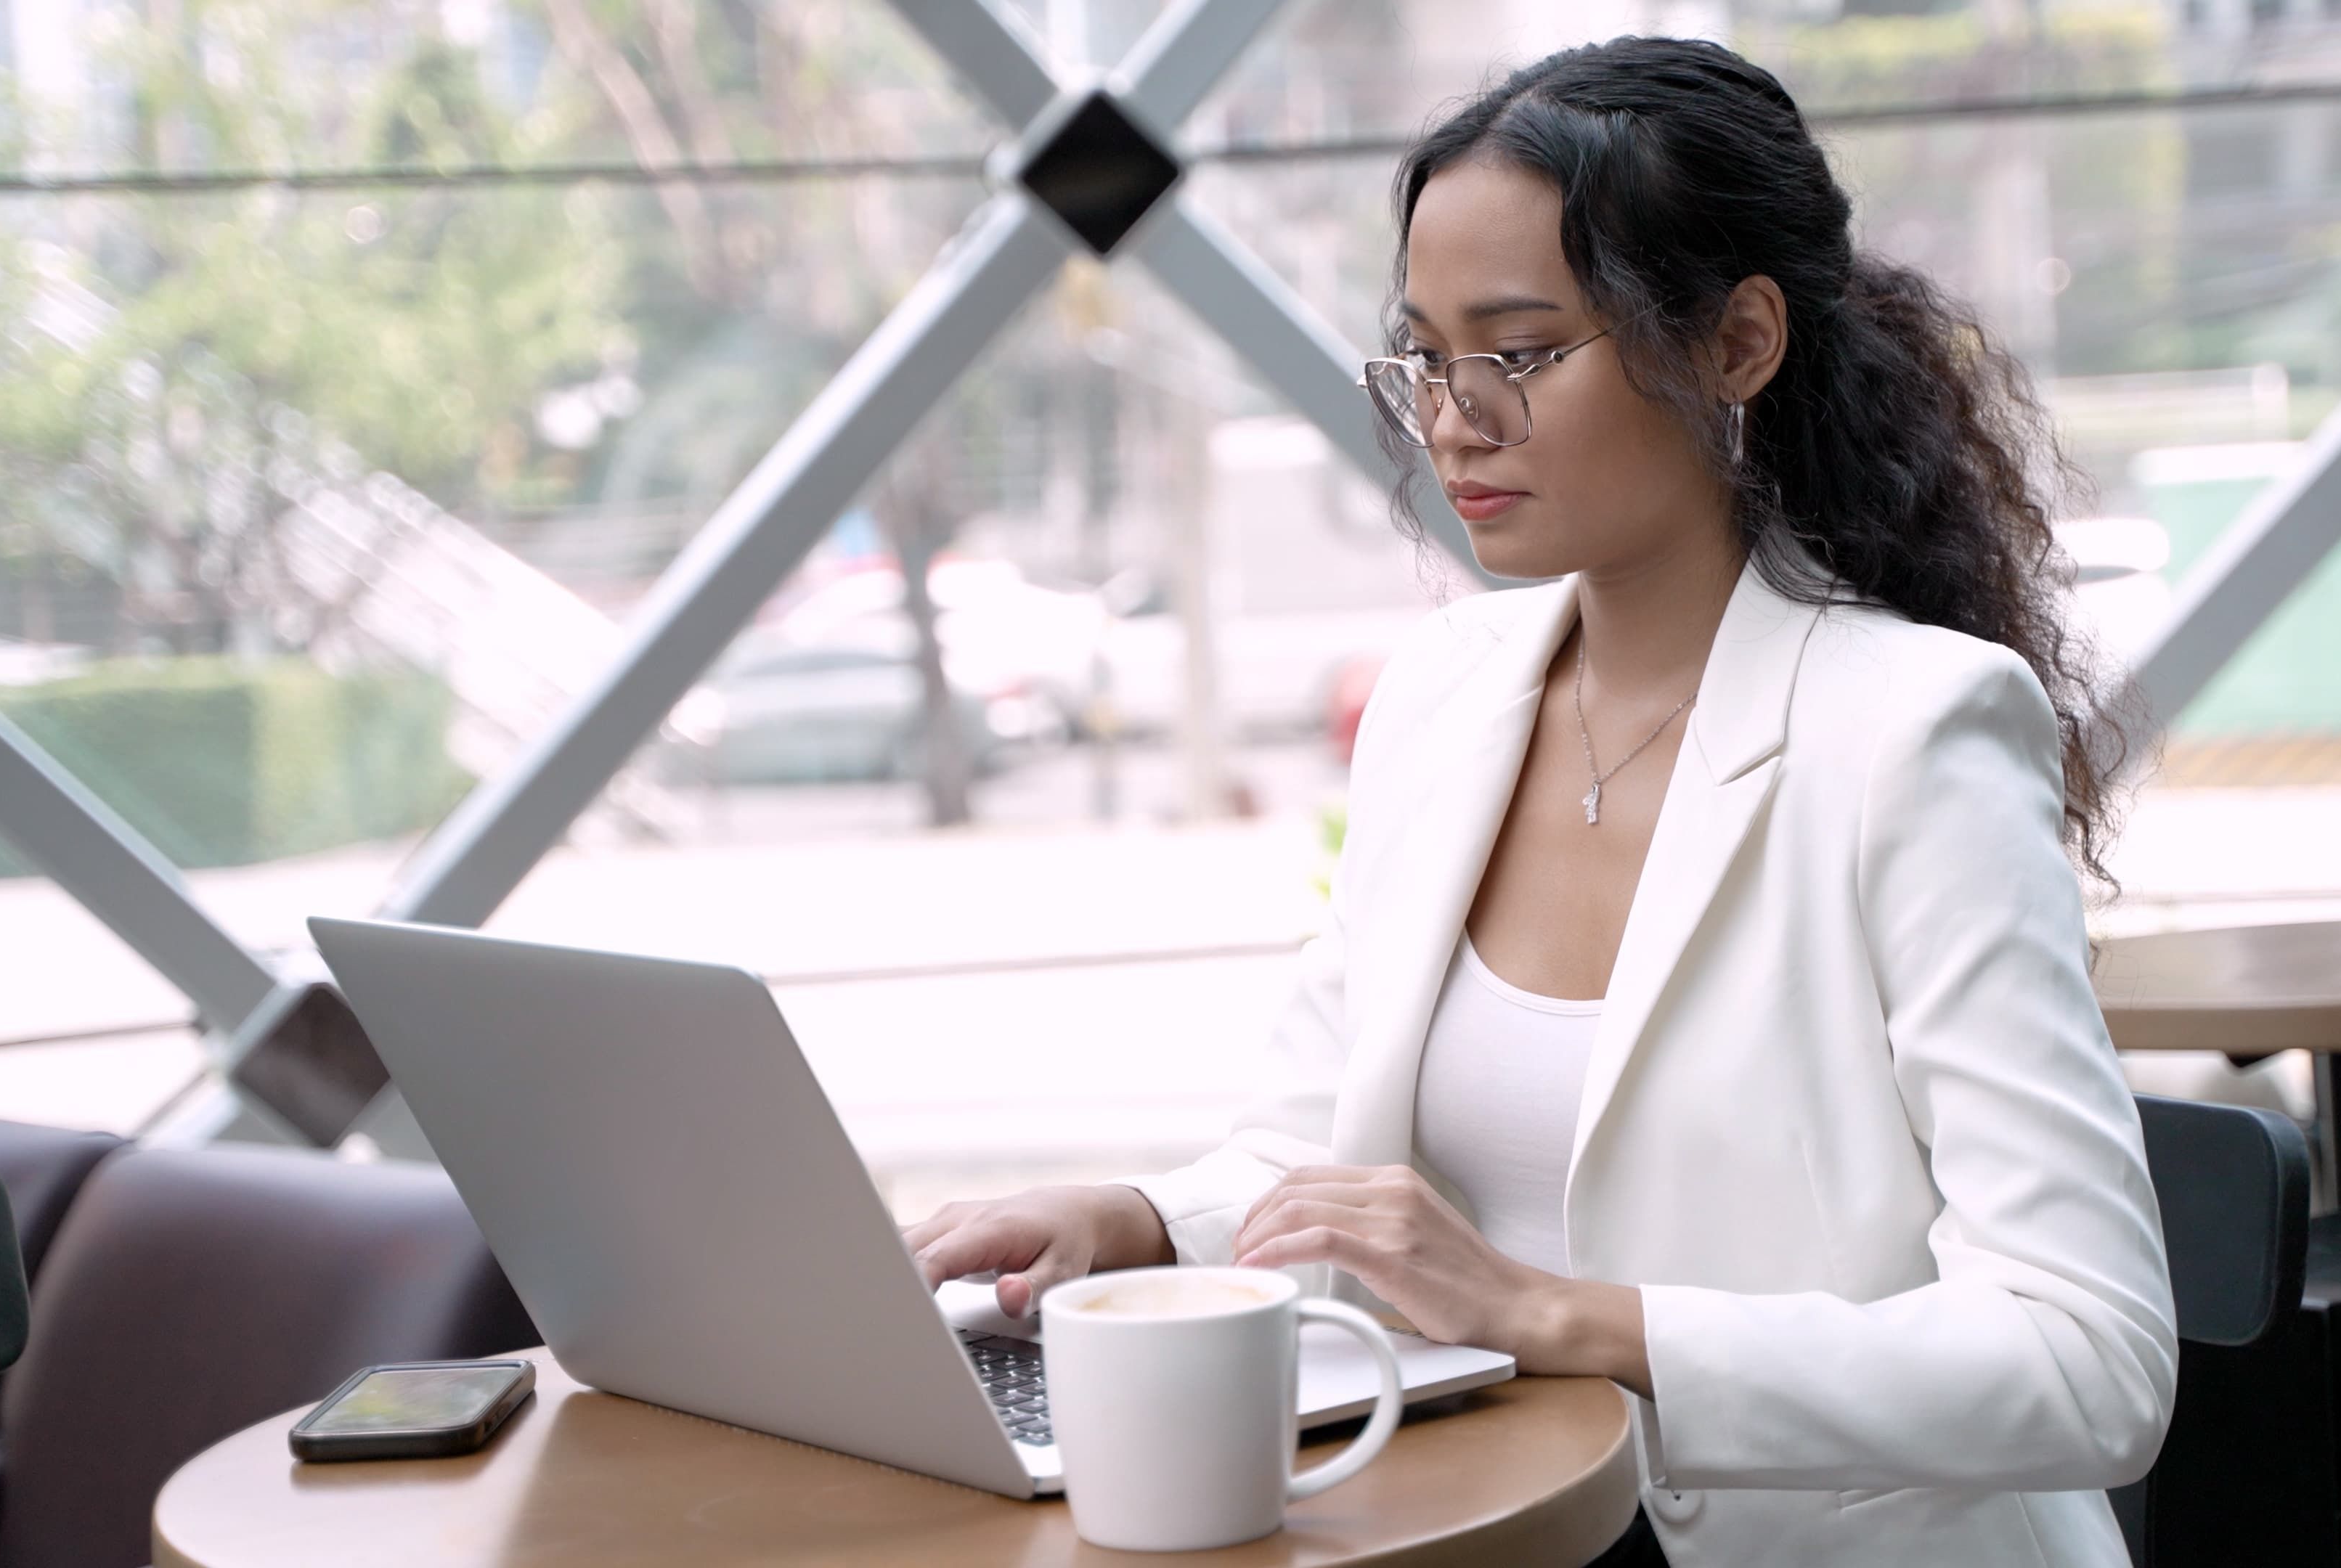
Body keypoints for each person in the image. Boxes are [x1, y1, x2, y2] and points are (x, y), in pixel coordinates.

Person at [902, 36, 2174, 1567]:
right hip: (1485, 1529)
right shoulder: (1446, 698)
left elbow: (2089, 1360)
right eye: (1429, 355)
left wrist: (1562, 1319)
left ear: (1738, 344)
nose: (1453, 420)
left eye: (1522, 352)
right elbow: (1321, 1163)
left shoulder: (1912, 734)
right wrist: (1139, 1225)